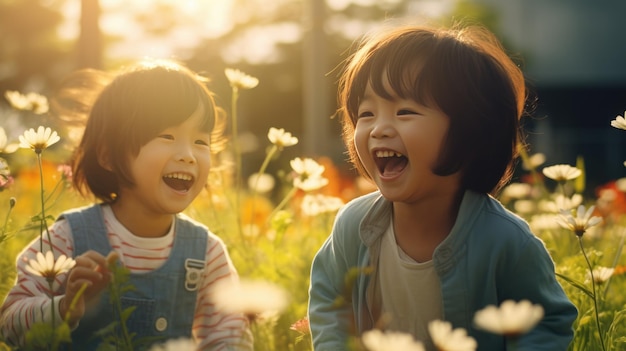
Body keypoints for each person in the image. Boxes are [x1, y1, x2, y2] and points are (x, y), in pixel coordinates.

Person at [307, 22, 577, 351]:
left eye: (405, 111)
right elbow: (330, 301)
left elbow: (547, 324)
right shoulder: (353, 226)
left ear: (471, 134)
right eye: (366, 113)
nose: (378, 128)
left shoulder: (505, 240)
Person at [0, 59, 253, 350]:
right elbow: (9, 323)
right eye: (167, 136)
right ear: (108, 155)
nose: (188, 155)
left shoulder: (206, 253)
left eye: (200, 141)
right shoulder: (67, 238)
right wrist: (64, 306)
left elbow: (229, 336)